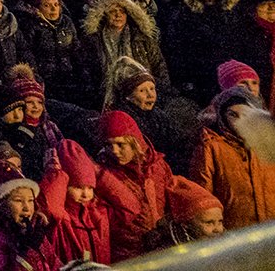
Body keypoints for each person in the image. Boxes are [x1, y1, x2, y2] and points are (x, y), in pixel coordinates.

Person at [188, 84, 275, 230]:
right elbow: (203, 194)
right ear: (223, 116)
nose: (238, 121)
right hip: (234, 233)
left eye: (246, 114)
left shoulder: (268, 142)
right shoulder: (211, 147)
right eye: (233, 114)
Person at [95, 110, 173, 262]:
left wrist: (164, 228)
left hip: (160, 247)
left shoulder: (157, 166)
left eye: (120, 144)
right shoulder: (105, 175)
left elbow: (171, 200)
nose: (115, 151)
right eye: (108, 145)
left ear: (134, 142)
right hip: (126, 253)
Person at [0, 159, 59, 271]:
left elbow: (56, 265)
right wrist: (27, 251)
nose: (27, 208)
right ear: (0, 204)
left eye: (30, 200)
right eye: (18, 201)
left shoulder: (35, 232)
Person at [38, 139, 111, 266]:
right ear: (64, 185)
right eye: (77, 187)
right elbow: (51, 208)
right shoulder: (63, 218)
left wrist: (98, 171)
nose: (85, 194)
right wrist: (55, 175)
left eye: (90, 188)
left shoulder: (98, 213)